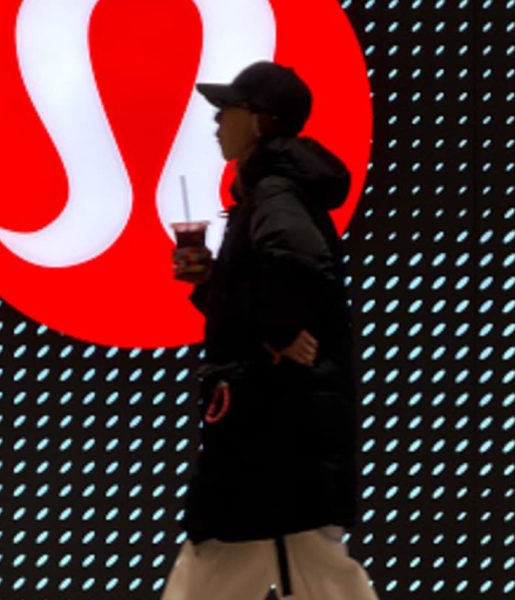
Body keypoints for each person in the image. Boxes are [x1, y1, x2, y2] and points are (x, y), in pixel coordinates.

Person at [161, 61, 378, 599]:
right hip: (277, 429)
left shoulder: (274, 192)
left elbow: (300, 265)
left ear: (259, 121)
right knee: (297, 559)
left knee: (241, 555)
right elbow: (266, 285)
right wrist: (213, 284)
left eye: (227, 110)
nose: (217, 123)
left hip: (271, 425)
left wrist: (279, 331)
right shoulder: (270, 191)